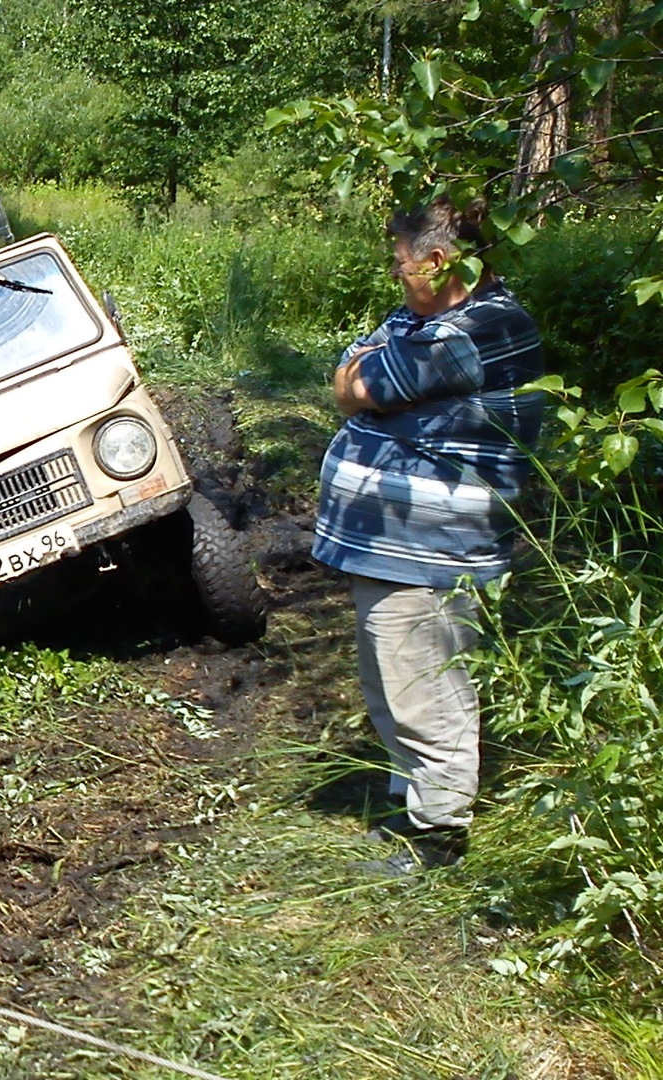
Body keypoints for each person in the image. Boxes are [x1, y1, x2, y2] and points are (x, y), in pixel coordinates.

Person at [312, 197, 545, 877]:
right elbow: (357, 371)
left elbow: (350, 385)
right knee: (395, 682)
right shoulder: (435, 319)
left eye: (401, 264)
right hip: (397, 544)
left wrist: (364, 370)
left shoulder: (468, 333)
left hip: (431, 549)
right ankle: (408, 804)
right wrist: (367, 367)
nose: (395, 276)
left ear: (438, 261)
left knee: (425, 689)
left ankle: (436, 836)